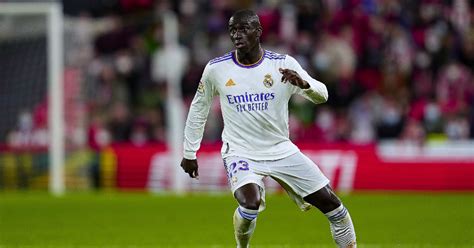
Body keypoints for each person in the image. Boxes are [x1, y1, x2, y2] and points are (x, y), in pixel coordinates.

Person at [180, 9, 357, 248]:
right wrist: (190, 152)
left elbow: (322, 95)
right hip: (240, 151)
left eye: (244, 29)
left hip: (281, 149)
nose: (237, 35)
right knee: (249, 203)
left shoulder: (282, 64)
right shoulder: (216, 69)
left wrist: (304, 85)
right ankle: (243, 246)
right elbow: (198, 109)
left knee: (333, 206)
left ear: (259, 31)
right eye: (233, 30)